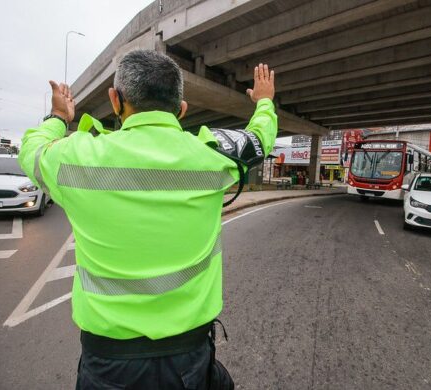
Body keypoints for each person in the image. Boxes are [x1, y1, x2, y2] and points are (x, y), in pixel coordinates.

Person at [18, 50, 277, 389]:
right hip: (189, 360)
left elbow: (31, 149)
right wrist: (264, 102)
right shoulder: (214, 156)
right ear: (181, 109)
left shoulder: (77, 159)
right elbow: (259, 138)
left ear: (115, 100)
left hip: (108, 364)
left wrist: (58, 116)